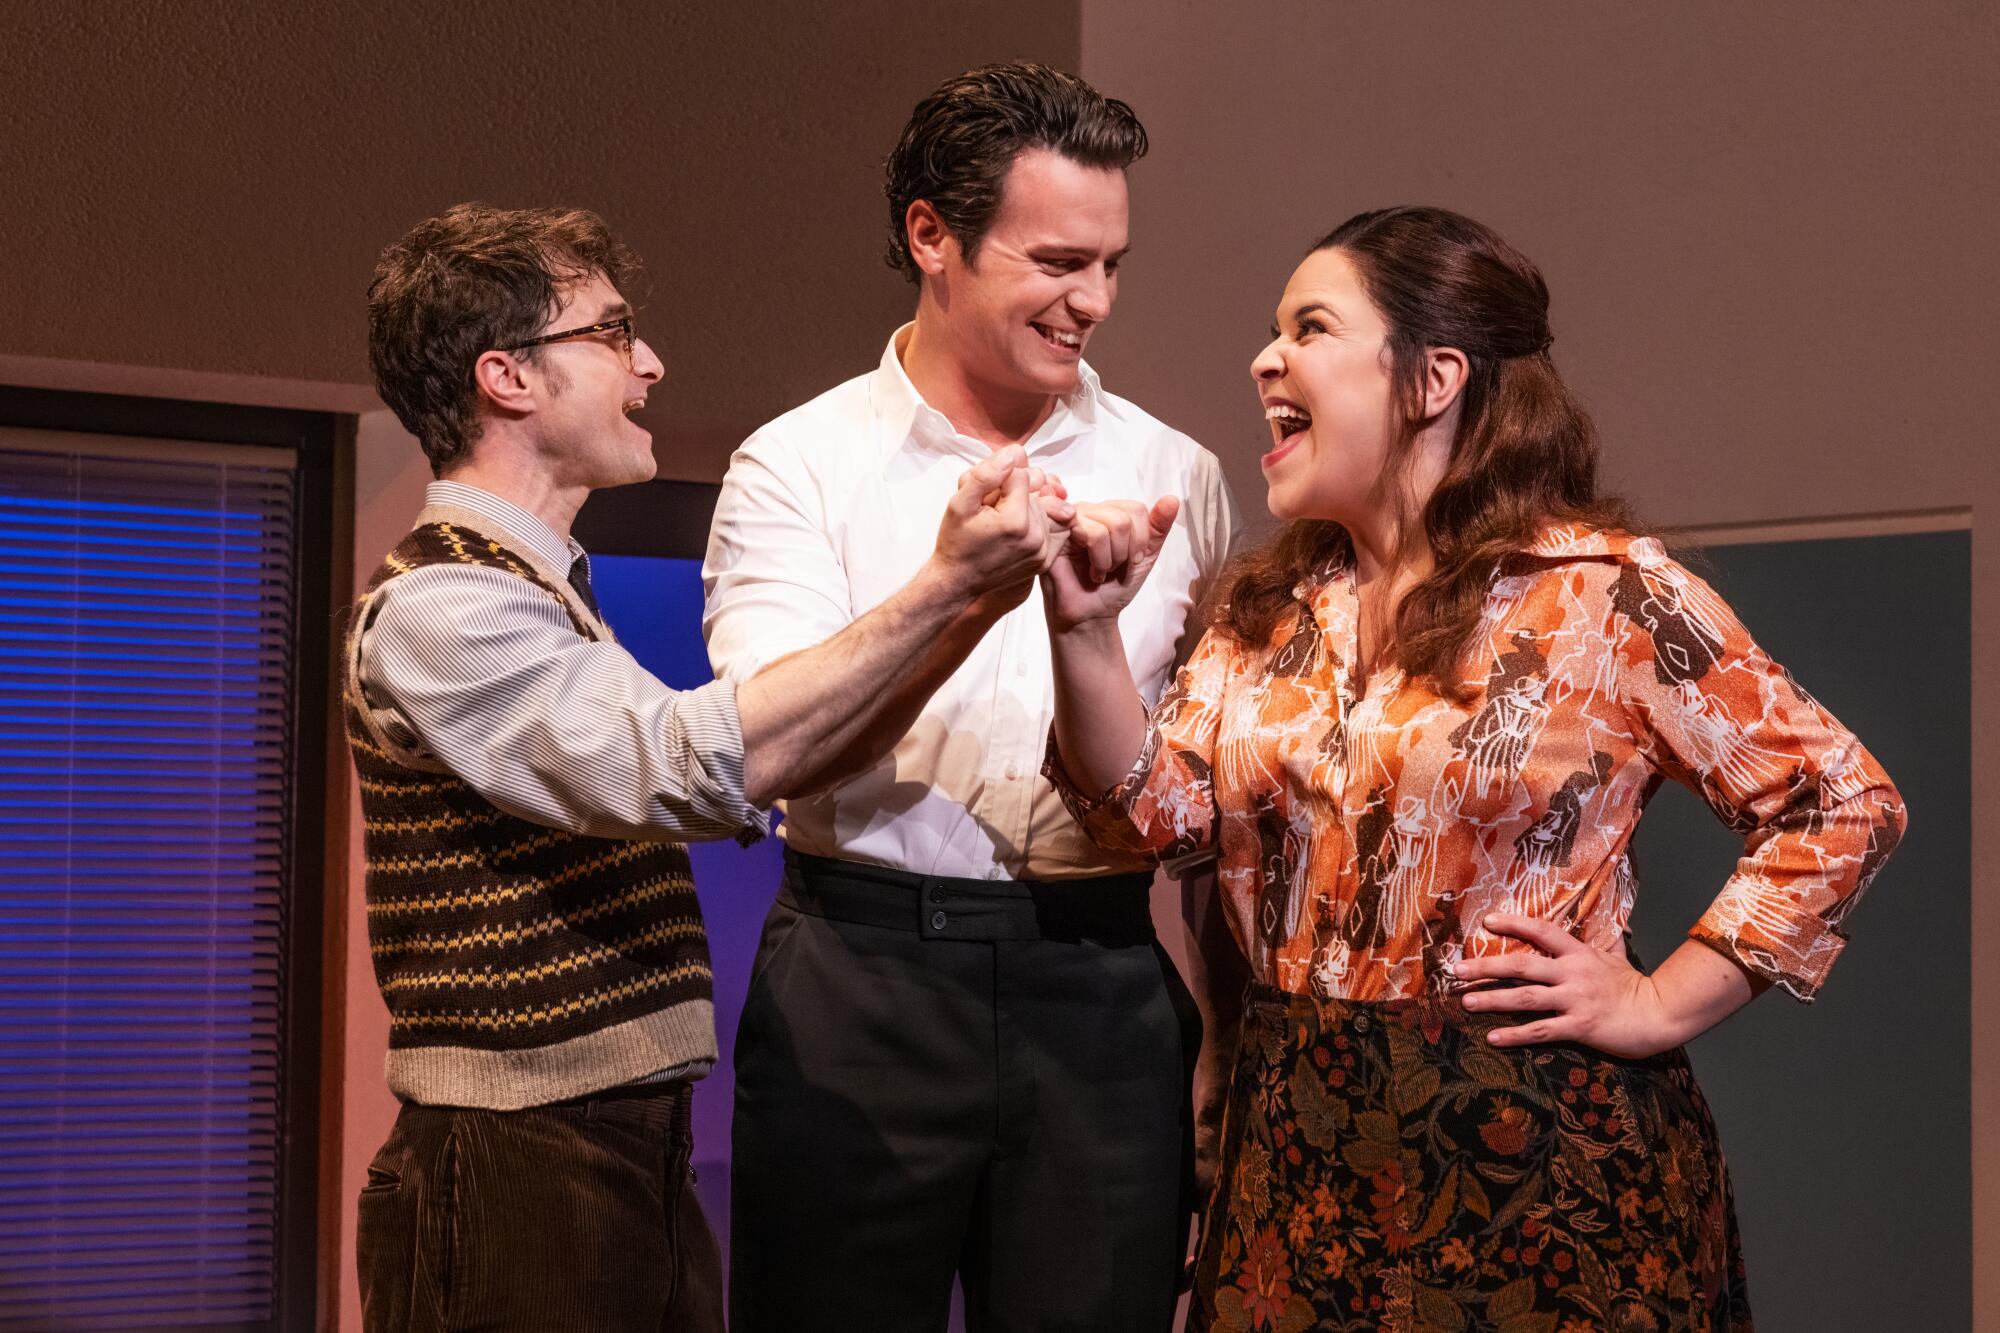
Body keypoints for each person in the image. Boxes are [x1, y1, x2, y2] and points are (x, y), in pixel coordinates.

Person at [1040, 205, 1905, 1331]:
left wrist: (1656, 1004)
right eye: (1272, 330)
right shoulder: (1267, 614)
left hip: (1534, 1157)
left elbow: (1839, 800)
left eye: (1308, 327)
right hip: (1297, 1150)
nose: (1265, 358)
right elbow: (1151, 824)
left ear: (1433, 375)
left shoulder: (1600, 593)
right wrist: (1080, 632)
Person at [348, 202, 1074, 1333]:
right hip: (515, 1161)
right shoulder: (444, 604)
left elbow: (745, 759)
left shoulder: (535, 590)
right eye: (611, 331)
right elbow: (681, 764)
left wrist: (977, 596)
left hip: (609, 1140)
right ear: (508, 377)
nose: (650, 363)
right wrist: (944, 584)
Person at [703, 64, 1238, 1331]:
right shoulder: (800, 462)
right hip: (860, 970)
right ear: (929, 237)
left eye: (1111, 263)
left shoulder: (1175, 471)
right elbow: (763, 744)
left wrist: (1225, 1026)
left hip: (1103, 977)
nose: (1092, 301)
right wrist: (957, 588)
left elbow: (1215, 792)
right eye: (1056, 261)